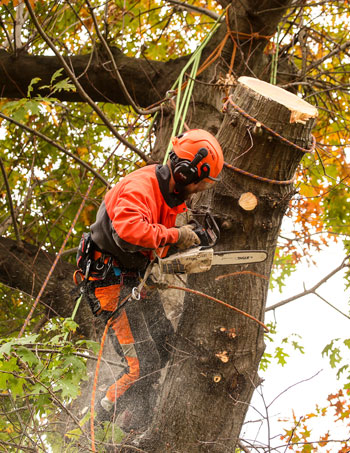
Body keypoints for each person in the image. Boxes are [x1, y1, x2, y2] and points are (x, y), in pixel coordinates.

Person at [78, 129, 224, 432]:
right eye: (200, 183)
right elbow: (130, 231)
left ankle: (137, 417)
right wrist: (179, 235)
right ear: (185, 174)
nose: (198, 190)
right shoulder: (141, 186)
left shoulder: (168, 195)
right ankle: (98, 416)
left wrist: (185, 241)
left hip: (132, 281)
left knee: (165, 346)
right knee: (141, 366)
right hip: (110, 287)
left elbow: (153, 241)